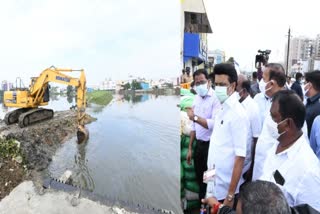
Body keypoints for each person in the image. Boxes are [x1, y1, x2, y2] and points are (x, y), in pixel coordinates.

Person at [259, 90, 320, 211]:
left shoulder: (308, 170)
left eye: (273, 117)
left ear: (288, 124)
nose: (269, 121)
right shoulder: (276, 146)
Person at [206, 63, 249, 209]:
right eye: (216, 84)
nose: (218, 88)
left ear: (233, 85)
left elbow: (240, 157)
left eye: (222, 84)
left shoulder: (238, 114)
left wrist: (230, 195)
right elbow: (216, 147)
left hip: (225, 191)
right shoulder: (222, 108)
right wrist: (208, 184)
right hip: (212, 183)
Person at [186, 69, 221, 202]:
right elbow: (193, 127)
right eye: (197, 82)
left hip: (211, 149)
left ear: (209, 82)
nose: (200, 85)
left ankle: (209, 206)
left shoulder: (215, 98)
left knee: (210, 182)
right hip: (199, 147)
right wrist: (190, 148)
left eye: (202, 81)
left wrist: (194, 117)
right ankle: (202, 207)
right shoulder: (196, 99)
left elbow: (213, 124)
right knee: (200, 180)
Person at [252, 63, 287, 180]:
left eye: (263, 78)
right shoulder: (261, 99)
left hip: (276, 171)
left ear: (272, 83)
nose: (260, 82)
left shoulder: (290, 105)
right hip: (259, 165)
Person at [236, 74, 262, 182]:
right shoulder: (234, 104)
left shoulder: (253, 107)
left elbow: (256, 139)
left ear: (244, 90)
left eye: (236, 88)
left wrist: (252, 168)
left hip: (245, 164)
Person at [304, 70, 320, 137]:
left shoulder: (316, 106)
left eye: (305, 83)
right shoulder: (310, 102)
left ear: (309, 85)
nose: (304, 86)